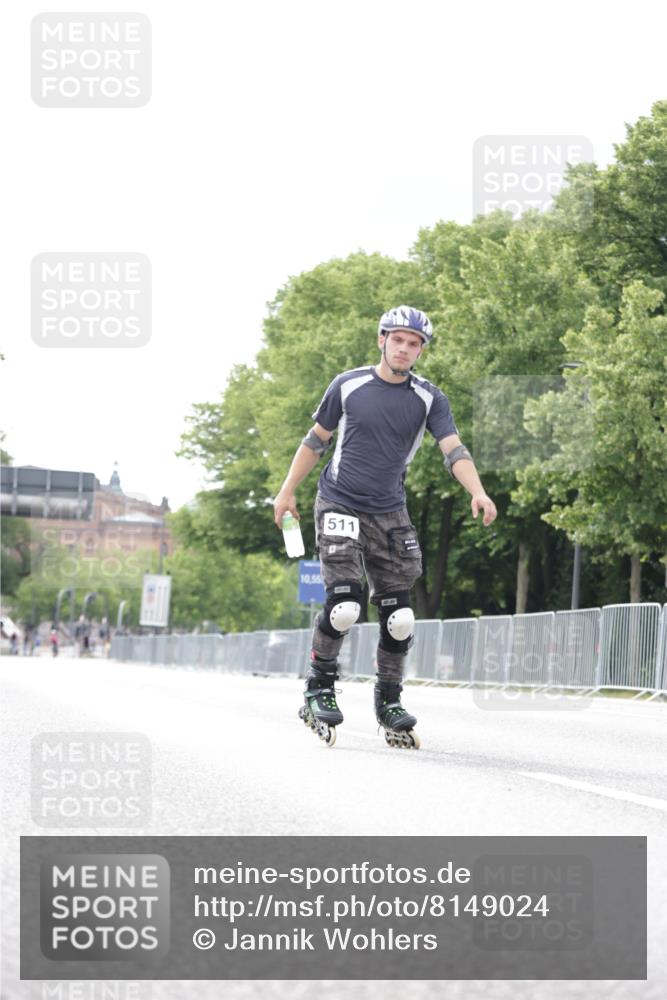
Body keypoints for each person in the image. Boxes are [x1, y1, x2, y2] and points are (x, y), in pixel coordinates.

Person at [273, 305, 497, 743]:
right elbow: (315, 441)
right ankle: (319, 687)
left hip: (390, 512)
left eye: (414, 344)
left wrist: (478, 491)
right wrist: (286, 492)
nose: (405, 348)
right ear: (382, 340)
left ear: (420, 351)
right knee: (345, 606)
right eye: (398, 340)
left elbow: (453, 448)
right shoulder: (348, 385)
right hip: (339, 500)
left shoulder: (429, 397)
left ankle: (389, 700)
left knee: (400, 620)